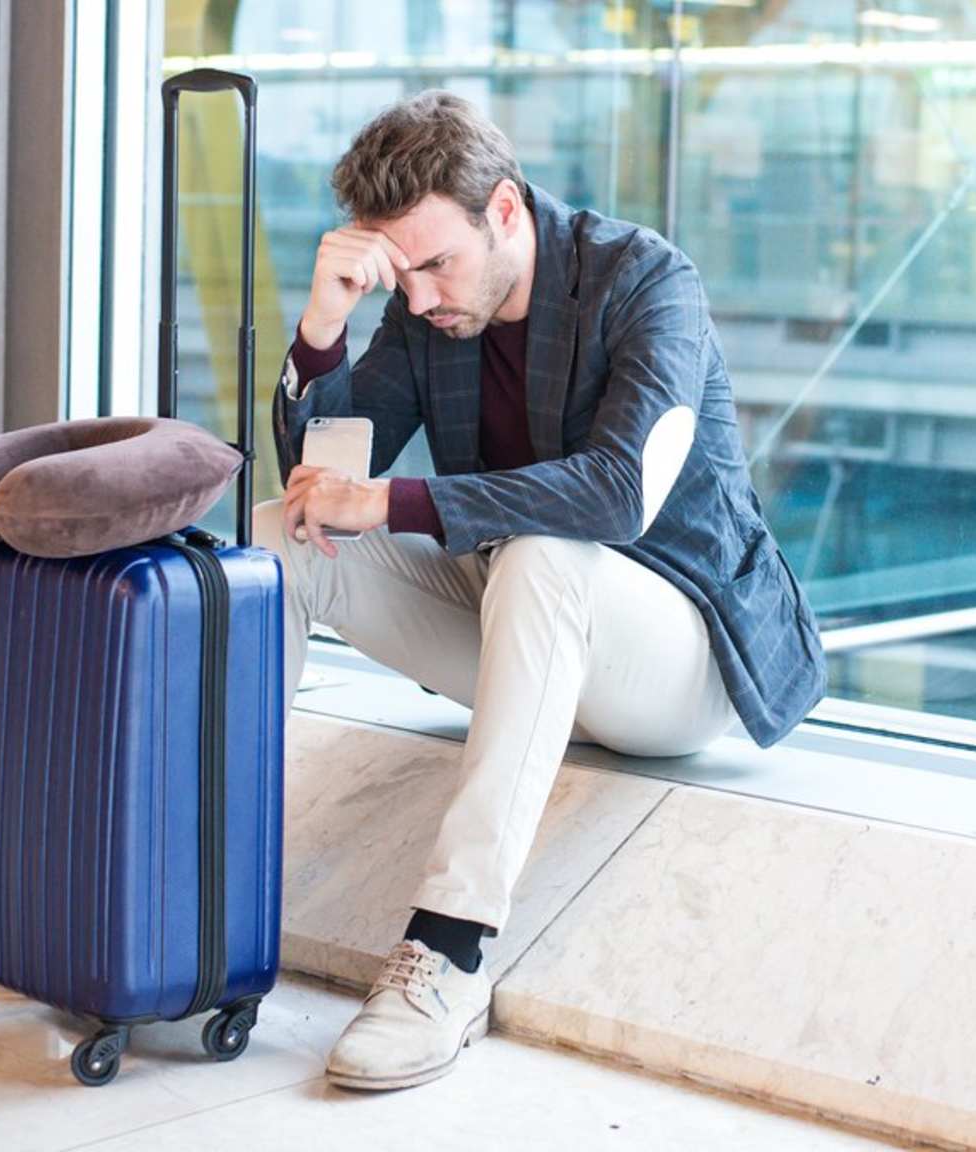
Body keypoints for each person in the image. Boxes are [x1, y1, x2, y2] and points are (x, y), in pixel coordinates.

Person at [253, 90, 826, 1091]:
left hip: (677, 653)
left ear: (505, 212)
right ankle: (215, 878)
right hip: (525, 628)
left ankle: (450, 952)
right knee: (277, 534)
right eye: (404, 271)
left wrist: (390, 503)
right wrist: (322, 325)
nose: (424, 298)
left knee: (542, 553)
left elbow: (616, 495)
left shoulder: (643, 281)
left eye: (438, 264)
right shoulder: (428, 311)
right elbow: (329, 479)